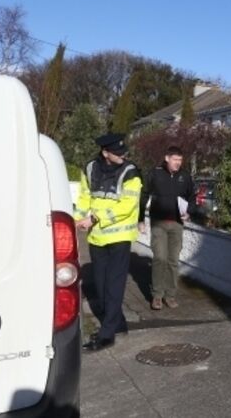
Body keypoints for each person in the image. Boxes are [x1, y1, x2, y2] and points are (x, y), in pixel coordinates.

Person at [74, 133, 142, 351]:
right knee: (101, 285)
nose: (124, 155)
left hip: (120, 237)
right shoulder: (90, 168)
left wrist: (95, 218)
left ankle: (107, 334)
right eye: (118, 152)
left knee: (114, 285)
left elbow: (127, 205)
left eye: (124, 151)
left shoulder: (131, 172)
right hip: (97, 237)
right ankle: (117, 323)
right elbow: (84, 197)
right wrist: (77, 218)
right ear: (105, 153)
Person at [139, 146, 195, 310]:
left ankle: (170, 296)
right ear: (167, 158)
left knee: (173, 261)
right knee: (160, 258)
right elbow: (144, 195)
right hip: (158, 223)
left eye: (180, 160)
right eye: (175, 159)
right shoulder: (155, 174)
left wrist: (189, 212)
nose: (178, 163)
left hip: (177, 224)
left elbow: (192, 197)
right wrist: (140, 219)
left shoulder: (185, 176)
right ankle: (157, 295)